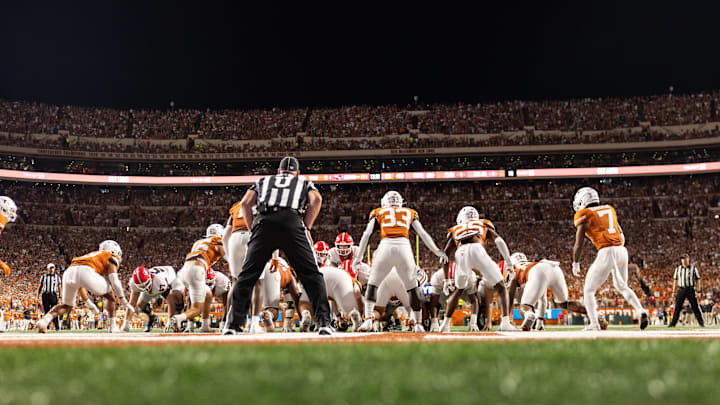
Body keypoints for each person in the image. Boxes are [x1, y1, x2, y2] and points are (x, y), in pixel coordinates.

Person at [223, 156, 333, 336]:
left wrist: (253, 229)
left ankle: (232, 325)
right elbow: (317, 199)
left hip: (265, 221)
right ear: (297, 173)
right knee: (311, 274)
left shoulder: (264, 181)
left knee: (247, 275)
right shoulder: (303, 182)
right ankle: (324, 323)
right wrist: (306, 226)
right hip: (292, 221)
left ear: (278, 172)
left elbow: (245, 203)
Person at [354, 190, 448, 332]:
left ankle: (368, 320)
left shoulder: (378, 212)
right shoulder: (409, 212)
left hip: (385, 246)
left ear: (384, 202)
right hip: (403, 246)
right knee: (412, 288)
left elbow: (367, 234)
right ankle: (418, 324)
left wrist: (359, 258)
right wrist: (436, 251)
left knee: (373, 285)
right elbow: (422, 233)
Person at [571, 187, 649, 331]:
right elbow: (622, 235)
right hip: (621, 250)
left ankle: (594, 324)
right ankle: (641, 311)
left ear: (582, 201)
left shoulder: (584, 213)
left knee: (588, 290)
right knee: (622, 286)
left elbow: (579, 242)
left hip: (606, 251)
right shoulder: (609, 209)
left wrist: (575, 262)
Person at [441, 206, 515, 332]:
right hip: (477, 249)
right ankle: (506, 322)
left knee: (459, 290)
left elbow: (445, 256)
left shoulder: (455, 229)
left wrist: (447, 279)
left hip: (461, 252)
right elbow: (500, 241)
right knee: (501, 286)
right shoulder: (483, 224)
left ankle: (445, 325)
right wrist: (508, 263)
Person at [37, 240, 130, 333]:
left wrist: (88, 303)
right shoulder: (110, 256)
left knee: (67, 305)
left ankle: (44, 322)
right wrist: (123, 299)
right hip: (85, 271)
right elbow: (114, 281)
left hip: (69, 271)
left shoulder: (92, 255)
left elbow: (80, 283)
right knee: (110, 295)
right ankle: (113, 327)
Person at [166, 224, 226, 333]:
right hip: (197, 269)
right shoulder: (217, 240)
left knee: (207, 294)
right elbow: (225, 254)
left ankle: (205, 326)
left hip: (184, 270)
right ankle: (177, 318)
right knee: (197, 309)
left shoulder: (198, 242)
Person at [668, 253, 705, 327]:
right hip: (681, 289)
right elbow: (675, 280)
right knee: (677, 307)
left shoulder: (693, 268)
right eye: (682, 259)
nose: (684, 260)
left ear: (688, 259)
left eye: (685, 258)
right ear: (681, 260)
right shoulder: (678, 269)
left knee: (695, 307)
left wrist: (698, 291)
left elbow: (698, 279)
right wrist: (673, 291)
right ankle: (673, 323)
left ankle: (701, 323)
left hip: (690, 289)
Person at [38, 263, 62, 331]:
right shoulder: (43, 276)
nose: (52, 269)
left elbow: (59, 287)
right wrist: (38, 296)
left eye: (53, 268)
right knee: (46, 311)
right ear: (47, 269)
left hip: (53, 295)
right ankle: (47, 326)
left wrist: (60, 297)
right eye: (50, 268)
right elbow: (40, 287)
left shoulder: (57, 277)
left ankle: (57, 327)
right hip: (45, 295)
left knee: (54, 311)